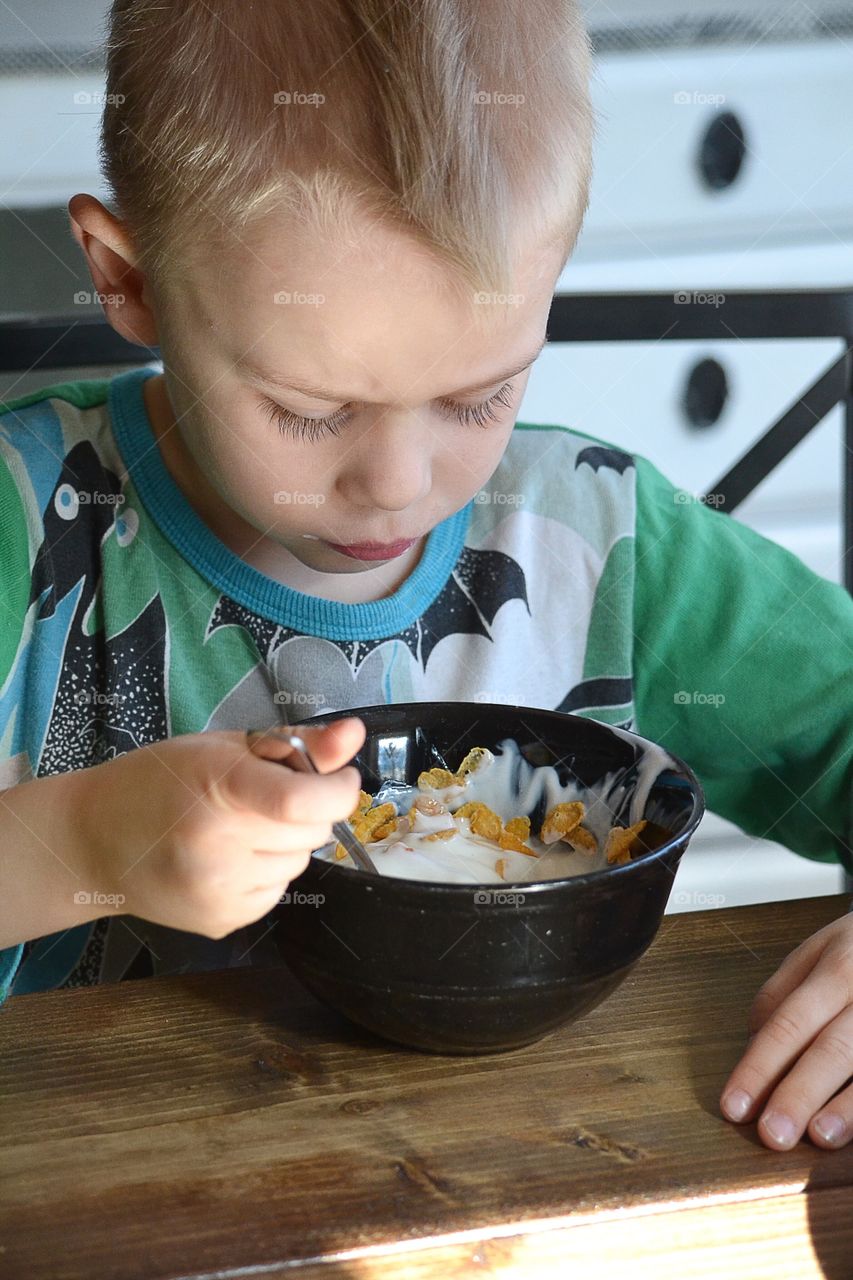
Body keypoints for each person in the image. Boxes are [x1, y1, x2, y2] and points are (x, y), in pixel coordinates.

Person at [0, 0, 851, 1155]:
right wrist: (88, 845)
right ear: (128, 279)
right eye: (309, 410)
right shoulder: (25, 518)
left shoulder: (604, 537)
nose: (397, 485)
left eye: (479, 394)